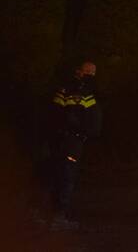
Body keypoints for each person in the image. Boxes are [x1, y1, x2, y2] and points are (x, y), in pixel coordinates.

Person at [48, 60, 101, 230]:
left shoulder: (88, 92)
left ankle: (57, 214)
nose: (91, 75)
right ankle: (58, 216)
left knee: (66, 176)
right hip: (67, 142)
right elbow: (57, 115)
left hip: (75, 142)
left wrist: (85, 134)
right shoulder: (69, 91)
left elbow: (94, 119)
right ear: (78, 71)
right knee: (65, 176)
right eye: (88, 71)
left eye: (93, 72)